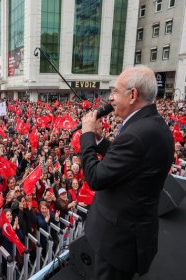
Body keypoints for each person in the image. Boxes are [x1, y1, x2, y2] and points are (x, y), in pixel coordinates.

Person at [80, 65, 174, 280]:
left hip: (119, 240)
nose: (111, 98)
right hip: (130, 232)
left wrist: (86, 136)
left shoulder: (138, 133)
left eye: (114, 91)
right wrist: (100, 140)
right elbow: (128, 162)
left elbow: (95, 177)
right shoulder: (152, 125)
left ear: (133, 95)